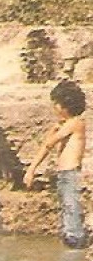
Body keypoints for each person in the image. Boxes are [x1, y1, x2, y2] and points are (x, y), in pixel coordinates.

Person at [22, 80, 88, 249]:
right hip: (64, 175)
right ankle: (71, 245)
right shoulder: (67, 124)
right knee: (67, 210)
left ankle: (75, 245)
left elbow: (48, 144)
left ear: (63, 106)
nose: (54, 109)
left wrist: (31, 169)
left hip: (71, 174)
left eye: (55, 104)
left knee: (71, 210)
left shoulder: (75, 123)